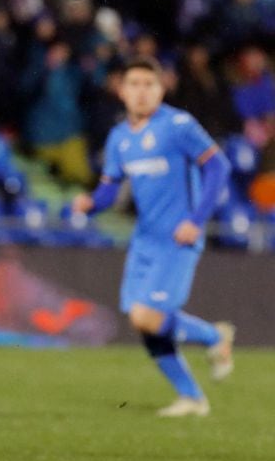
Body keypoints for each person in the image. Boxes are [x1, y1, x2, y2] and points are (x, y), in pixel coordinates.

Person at [71, 58, 235, 418]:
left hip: (179, 237)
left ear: (162, 89)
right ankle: (192, 398)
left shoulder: (178, 125)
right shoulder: (119, 138)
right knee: (143, 323)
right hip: (145, 240)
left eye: (150, 84)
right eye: (135, 84)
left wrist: (197, 219)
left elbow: (218, 166)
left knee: (148, 317)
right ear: (121, 90)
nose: (142, 91)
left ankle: (213, 337)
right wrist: (89, 203)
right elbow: (108, 192)